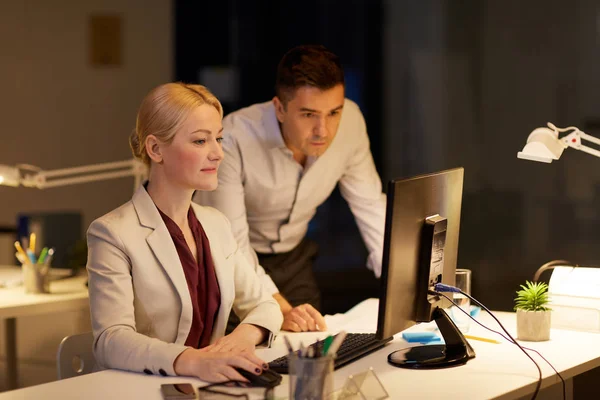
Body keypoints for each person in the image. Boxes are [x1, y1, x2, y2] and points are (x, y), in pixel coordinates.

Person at [86, 83, 283, 383]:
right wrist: (192, 361)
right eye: (201, 141)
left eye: (218, 138)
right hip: (148, 388)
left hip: (210, 386)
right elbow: (111, 340)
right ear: (155, 149)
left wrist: (243, 336)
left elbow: (264, 304)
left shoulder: (216, 224)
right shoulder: (111, 233)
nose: (218, 153)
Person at [195, 45, 386, 333]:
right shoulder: (233, 140)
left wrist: (409, 281)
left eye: (334, 112)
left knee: (311, 351)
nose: (323, 130)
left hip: (294, 258)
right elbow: (231, 242)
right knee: (246, 359)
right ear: (280, 109)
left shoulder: (351, 124)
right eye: (308, 115)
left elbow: (372, 207)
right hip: (228, 261)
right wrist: (278, 308)